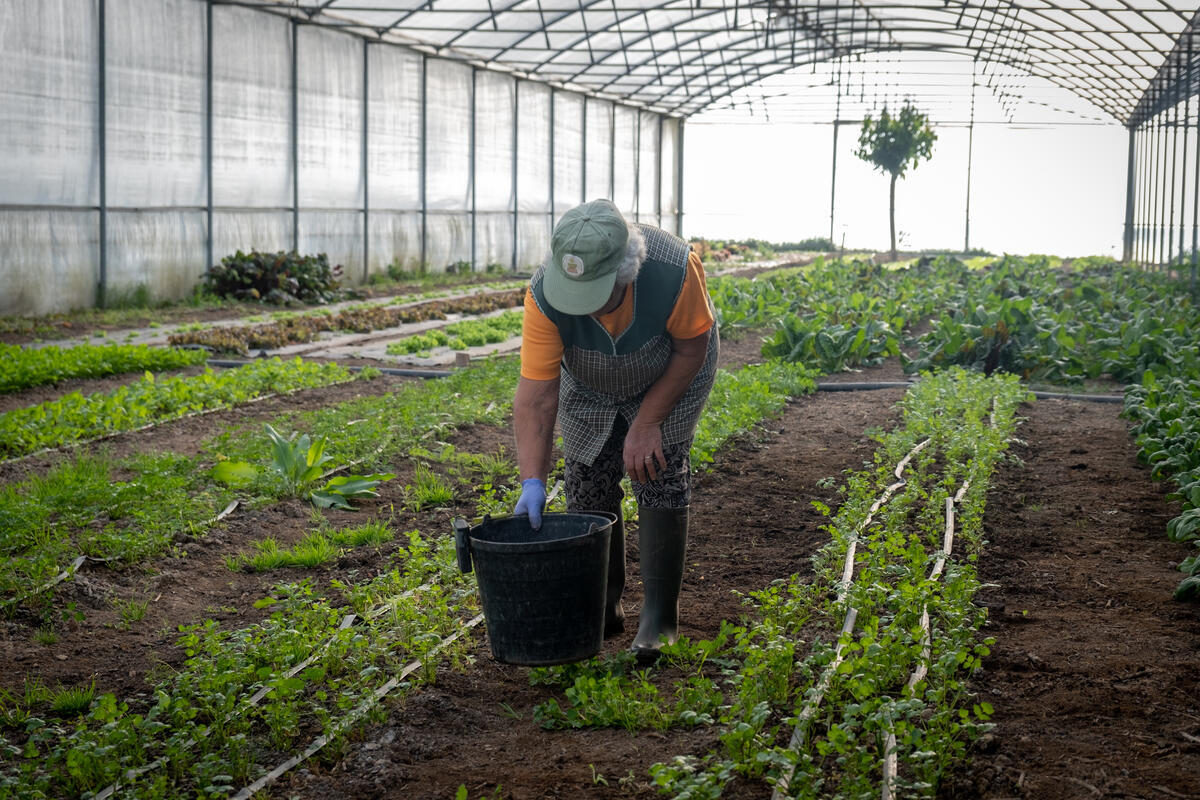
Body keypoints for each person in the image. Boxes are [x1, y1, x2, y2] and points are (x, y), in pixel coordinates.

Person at [512, 198, 719, 662]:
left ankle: (660, 617)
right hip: (589, 382)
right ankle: (601, 608)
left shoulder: (673, 269)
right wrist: (532, 481)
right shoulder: (544, 295)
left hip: (670, 369)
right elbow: (536, 397)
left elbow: (692, 348)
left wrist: (648, 423)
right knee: (586, 483)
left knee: (656, 470)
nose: (582, 308)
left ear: (627, 272)